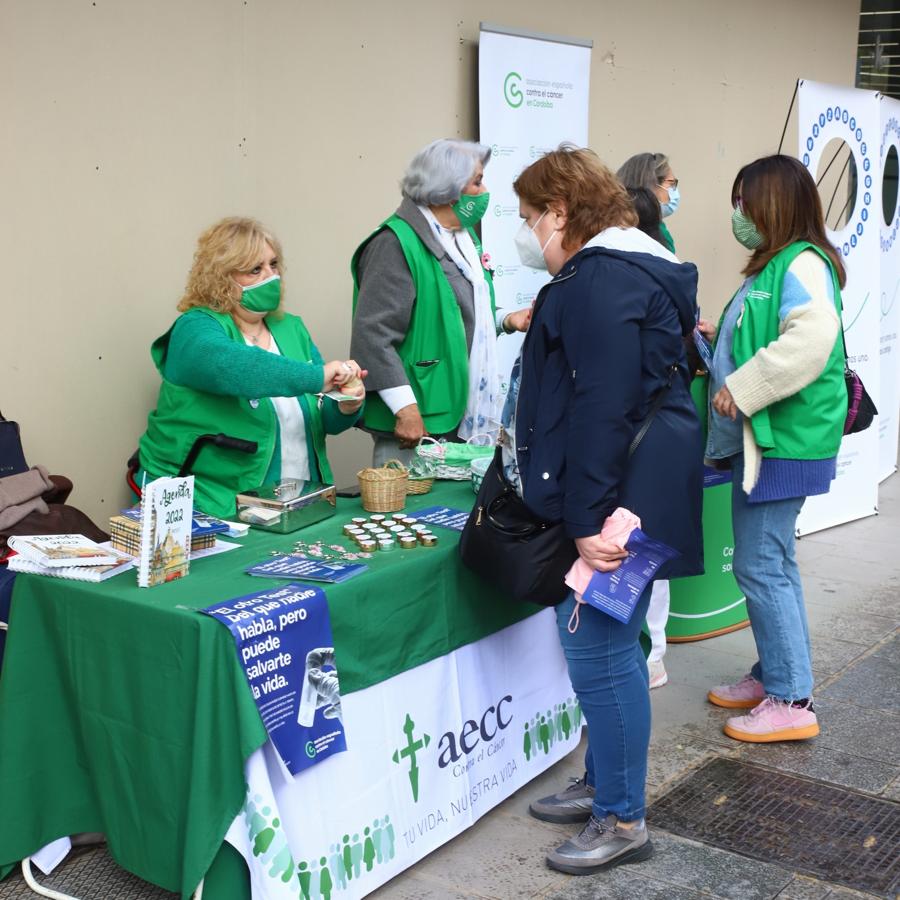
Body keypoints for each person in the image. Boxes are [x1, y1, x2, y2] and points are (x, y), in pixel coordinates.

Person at [507, 147, 703, 874]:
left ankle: (622, 818)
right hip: (632, 489)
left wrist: (586, 521)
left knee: (600, 651)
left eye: (530, 217)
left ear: (561, 213)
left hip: (619, 502)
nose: (527, 232)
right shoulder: (629, 270)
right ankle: (604, 787)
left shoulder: (602, 280)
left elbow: (602, 405)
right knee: (605, 648)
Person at [705, 155, 847, 742]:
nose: (738, 214)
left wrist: (743, 385)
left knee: (761, 565)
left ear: (773, 204)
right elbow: (765, 331)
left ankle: (791, 699)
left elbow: (813, 338)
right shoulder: (775, 264)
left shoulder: (803, 263)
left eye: (746, 202)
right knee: (774, 564)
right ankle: (776, 675)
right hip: (772, 440)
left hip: (784, 441)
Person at [138, 217, 364, 518]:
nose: (270, 276)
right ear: (221, 278)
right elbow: (237, 368)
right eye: (255, 269)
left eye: (273, 265)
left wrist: (347, 403)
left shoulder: (290, 328)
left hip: (294, 501)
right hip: (209, 504)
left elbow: (319, 417)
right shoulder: (194, 328)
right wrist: (317, 376)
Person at [350, 139, 530, 467]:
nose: (485, 190)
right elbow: (372, 336)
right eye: (477, 181)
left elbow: (454, 311)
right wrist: (405, 409)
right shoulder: (393, 243)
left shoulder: (460, 236)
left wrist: (506, 320)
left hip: (456, 413)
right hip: (417, 419)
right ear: (448, 189)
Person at [617, 152, 680, 253]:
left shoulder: (660, 228)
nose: (674, 190)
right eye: (671, 183)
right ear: (650, 185)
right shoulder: (627, 233)